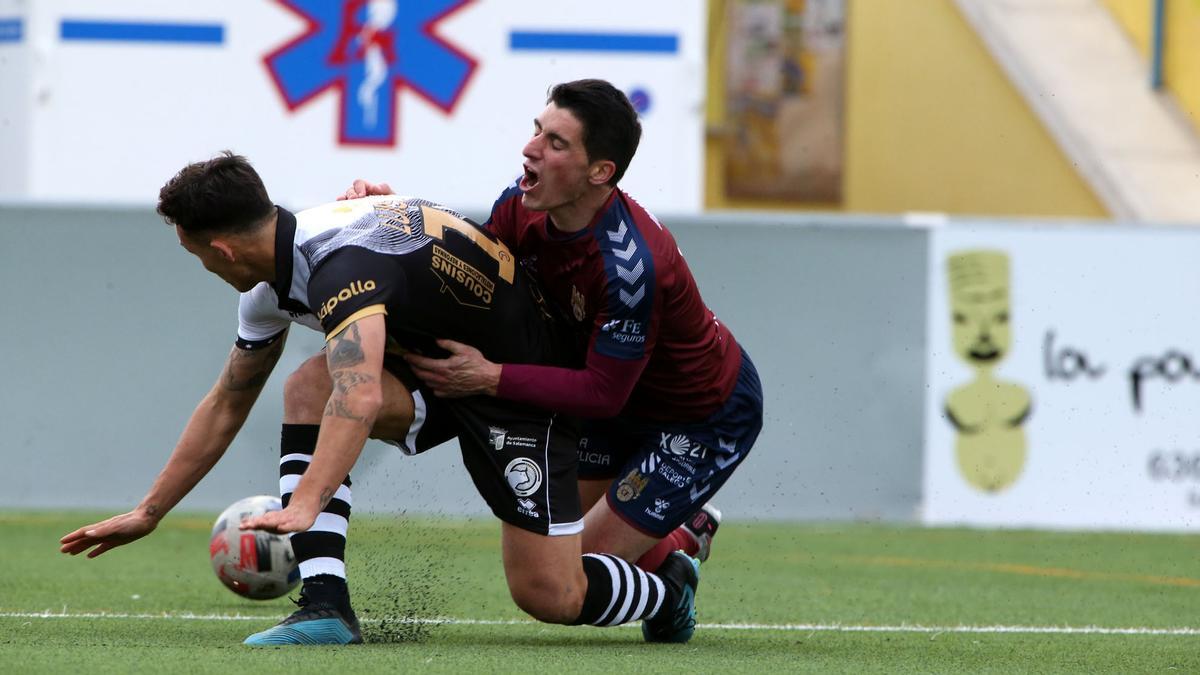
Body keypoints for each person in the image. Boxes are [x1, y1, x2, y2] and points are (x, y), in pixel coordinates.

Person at [59, 152, 701, 646]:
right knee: (309, 383)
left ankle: (667, 586)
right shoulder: (273, 283)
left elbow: (361, 395)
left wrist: (304, 503)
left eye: (196, 253)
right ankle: (325, 607)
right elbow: (229, 398)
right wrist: (149, 512)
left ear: (222, 248)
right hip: (443, 369)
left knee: (550, 593)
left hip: (520, 384)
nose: (201, 264)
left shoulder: (339, 264)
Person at [343, 78, 764, 576]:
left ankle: (682, 536)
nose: (530, 148)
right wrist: (395, 216)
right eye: (537, 130)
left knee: (576, 571)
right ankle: (670, 533)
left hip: (700, 416)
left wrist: (489, 377)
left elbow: (603, 391)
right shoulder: (522, 208)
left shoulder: (630, 268)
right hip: (615, 403)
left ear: (600, 171)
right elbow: (464, 275)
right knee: (557, 558)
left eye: (555, 143)